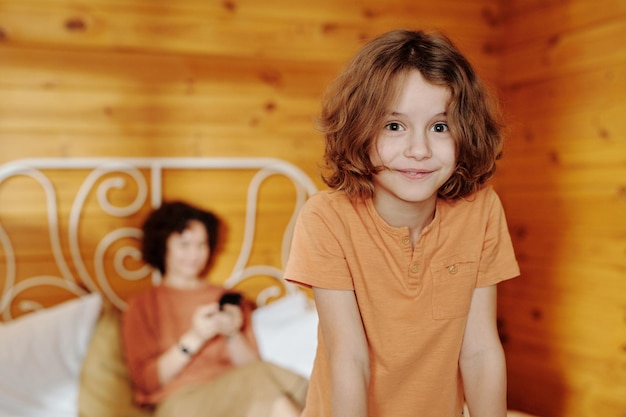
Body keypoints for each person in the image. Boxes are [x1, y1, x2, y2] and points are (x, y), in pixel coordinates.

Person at [285, 29, 520, 417]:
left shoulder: (481, 210)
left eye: (439, 127)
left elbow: (479, 349)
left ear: (466, 132)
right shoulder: (326, 218)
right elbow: (350, 360)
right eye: (394, 126)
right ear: (360, 130)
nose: (419, 150)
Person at [121, 201, 308, 417]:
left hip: (242, 395)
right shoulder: (143, 305)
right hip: (181, 403)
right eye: (184, 244)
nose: (194, 254)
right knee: (264, 384)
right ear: (162, 245)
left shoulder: (226, 299)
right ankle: (315, 396)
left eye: (202, 245)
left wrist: (232, 334)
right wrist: (195, 337)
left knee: (262, 390)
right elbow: (146, 383)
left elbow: (250, 364)